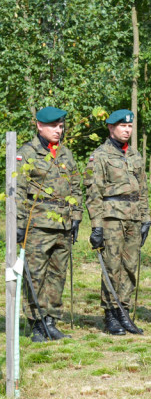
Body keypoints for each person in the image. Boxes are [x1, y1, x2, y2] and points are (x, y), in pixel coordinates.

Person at [15, 106, 81, 342]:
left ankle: (50, 320)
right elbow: (18, 191)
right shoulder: (26, 153)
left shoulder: (65, 153)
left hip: (62, 223)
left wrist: (76, 216)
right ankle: (36, 323)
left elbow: (75, 186)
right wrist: (20, 223)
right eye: (53, 126)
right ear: (39, 126)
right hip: (38, 223)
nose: (58, 131)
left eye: (61, 126)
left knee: (57, 274)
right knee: (35, 274)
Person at [85, 109, 148, 336]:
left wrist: (146, 217)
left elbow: (143, 190)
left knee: (130, 267)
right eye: (122, 126)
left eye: (130, 127)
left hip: (133, 216)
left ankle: (124, 311)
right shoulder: (100, 155)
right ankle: (111, 315)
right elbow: (94, 192)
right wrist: (97, 225)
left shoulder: (135, 155)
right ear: (111, 128)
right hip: (112, 217)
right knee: (112, 267)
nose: (127, 130)